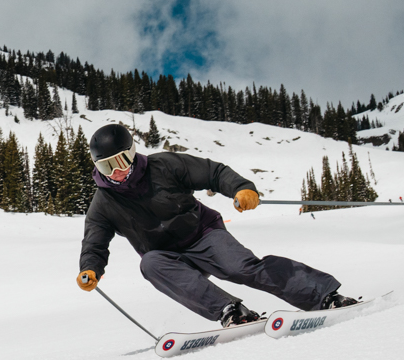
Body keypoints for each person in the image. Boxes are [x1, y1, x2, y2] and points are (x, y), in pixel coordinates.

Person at [76, 124, 357, 328]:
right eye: (107, 167)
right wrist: (90, 269)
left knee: (243, 268)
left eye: (121, 161)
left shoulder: (164, 166)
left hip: (203, 235)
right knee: (150, 264)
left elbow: (213, 172)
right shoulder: (104, 203)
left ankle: (324, 296)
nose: (118, 172)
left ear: (132, 153)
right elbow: (94, 243)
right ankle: (231, 311)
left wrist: (242, 189)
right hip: (167, 257)